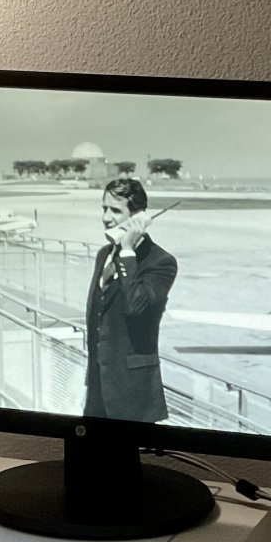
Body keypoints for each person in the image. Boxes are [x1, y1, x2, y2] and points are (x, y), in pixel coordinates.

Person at [83, 176, 176, 422]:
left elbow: (137, 306)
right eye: (104, 209)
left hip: (133, 398)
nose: (106, 218)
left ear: (138, 217)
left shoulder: (161, 262)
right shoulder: (104, 254)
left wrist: (127, 251)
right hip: (97, 395)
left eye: (115, 210)